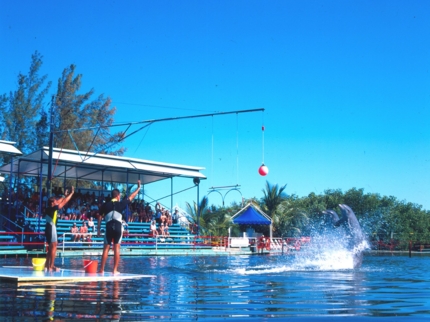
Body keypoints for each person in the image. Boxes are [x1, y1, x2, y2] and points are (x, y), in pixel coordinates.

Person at [98, 180, 141, 274]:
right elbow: (131, 197)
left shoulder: (105, 205)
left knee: (106, 248)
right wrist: (138, 188)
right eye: (120, 196)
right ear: (118, 196)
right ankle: (115, 270)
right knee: (117, 247)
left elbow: (100, 217)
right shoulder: (121, 203)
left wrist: (98, 229)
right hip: (117, 226)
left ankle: (101, 269)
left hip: (108, 226)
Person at [45, 186, 75, 271]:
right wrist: (71, 194)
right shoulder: (52, 208)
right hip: (51, 227)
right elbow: (64, 202)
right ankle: (51, 266)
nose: (56, 202)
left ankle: (48, 265)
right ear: (52, 203)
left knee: (51, 247)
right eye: (55, 201)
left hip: (49, 227)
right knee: (54, 246)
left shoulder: (50, 207)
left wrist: (64, 195)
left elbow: (60, 200)